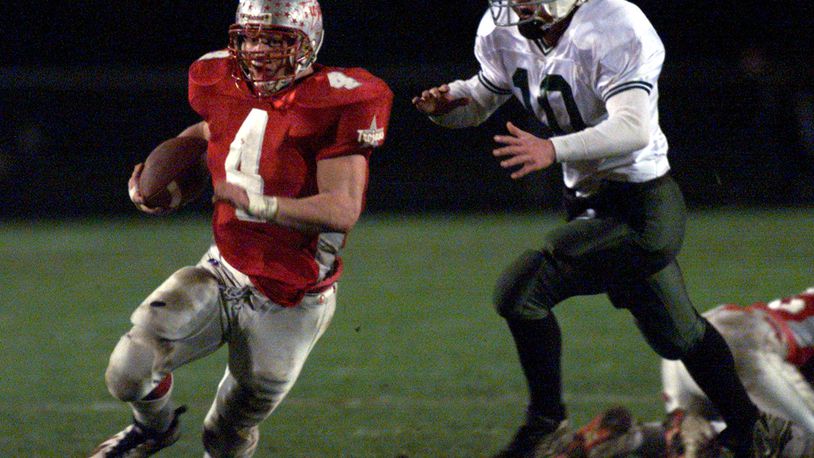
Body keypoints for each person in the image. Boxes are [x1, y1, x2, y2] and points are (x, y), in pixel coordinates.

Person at [412, 0, 788, 456]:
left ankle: (546, 424)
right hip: (588, 202)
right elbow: (482, 97)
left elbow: (633, 127)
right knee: (678, 335)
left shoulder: (614, 22)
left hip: (642, 210)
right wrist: (448, 103)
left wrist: (552, 150)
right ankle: (754, 427)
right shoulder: (502, 27)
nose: (519, 4)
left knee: (521, 291)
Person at [89, 0, 393, 456]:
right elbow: (211, 131)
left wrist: (259, 203)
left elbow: (342, 208)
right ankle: (154, 429)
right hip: (224, 268)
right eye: (250, 36)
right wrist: (159, 184)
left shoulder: (340, 99)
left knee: (226, 433)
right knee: (128, 370)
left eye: (274, 39)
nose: (258, 49)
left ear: (307, 42)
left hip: (292, 296)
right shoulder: (221, 80)